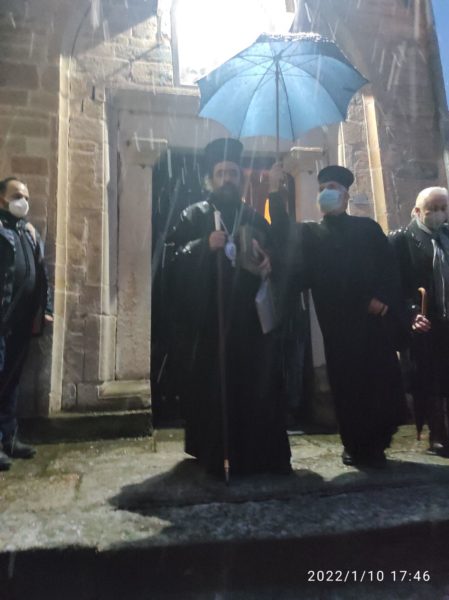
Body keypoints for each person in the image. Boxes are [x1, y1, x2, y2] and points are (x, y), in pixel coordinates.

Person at [168, 138, 291, 476]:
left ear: (241, 178)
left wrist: (269, 263)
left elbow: (278, 257)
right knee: (213, 388)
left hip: (249, 323)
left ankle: (253, 454)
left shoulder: (253, 217)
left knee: (254, 388)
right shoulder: (194, 214)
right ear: (211, 178)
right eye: (221, 173)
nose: (227, 179)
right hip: (210, 321)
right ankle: (214, 452)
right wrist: (202, 245)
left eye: (233, 173)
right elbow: (170, 261)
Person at [270, 165, 406, 468]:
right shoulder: (311, 234)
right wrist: (276, 195)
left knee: (379, 382)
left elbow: (389, 267)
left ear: (345, 195)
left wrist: (383, 299)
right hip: (338, 324)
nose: (325, 193)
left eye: (331, 187)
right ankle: (354, 445)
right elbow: (283, 238)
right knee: (347, 385)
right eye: (321, 189)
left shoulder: (368, 228)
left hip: (372, 322)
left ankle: (379, 443)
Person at [389, 186, 449, 456]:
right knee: (429, 378)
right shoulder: (402, 240)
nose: (438, 214)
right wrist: (411, 312)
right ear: (416, 211)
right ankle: (437, 433)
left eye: (443, 209)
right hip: (423, 322)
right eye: (431, 210)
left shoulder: (446, 235)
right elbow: (394, 284)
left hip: (447, 319)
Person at [0, 176, 52, 471]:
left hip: (22, 320)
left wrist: (45, 307)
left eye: (27, 197)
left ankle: (8, 438)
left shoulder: (28, 232)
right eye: (17, 195)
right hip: (3, 319)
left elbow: (41, 272)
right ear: (2, 198)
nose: (23, 202)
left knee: (11, 380)